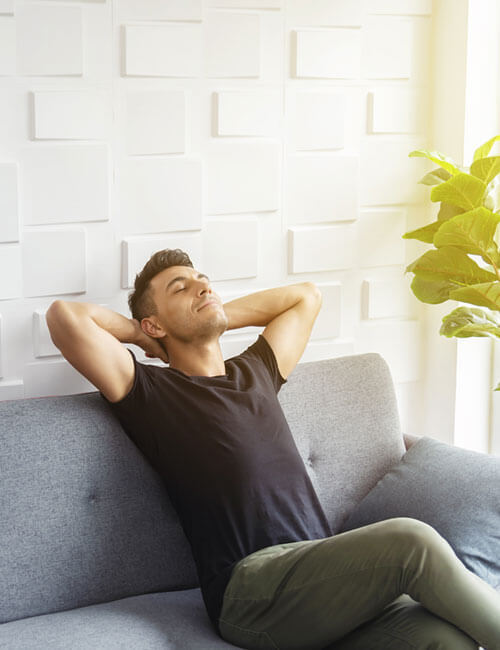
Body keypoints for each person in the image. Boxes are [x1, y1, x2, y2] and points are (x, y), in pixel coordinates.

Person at [46, 248, 500, 650]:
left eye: (203, 279)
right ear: (154, 321)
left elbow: (306, 296)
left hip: (323, 579)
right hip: (253, 592)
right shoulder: (149, 390)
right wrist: (145, 338)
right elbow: (65, 317)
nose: (202, 285)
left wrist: (212, 313)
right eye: (180, 288)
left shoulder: (256, 371)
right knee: (411, 541)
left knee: (446, 639)